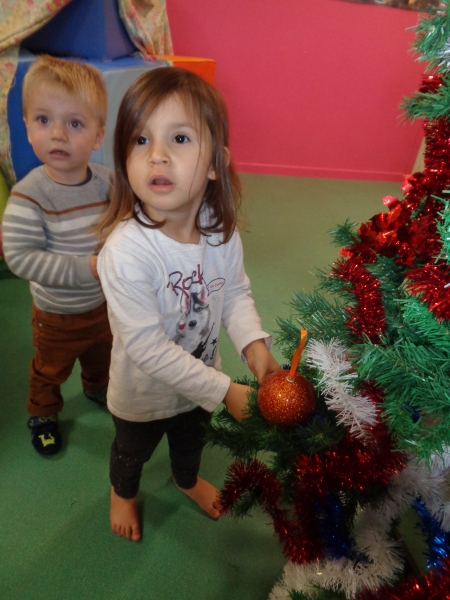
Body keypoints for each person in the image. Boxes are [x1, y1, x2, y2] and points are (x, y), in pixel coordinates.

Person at [97, 67, 281, 541]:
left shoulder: (221, 232)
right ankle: (123, 493)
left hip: (201, 381)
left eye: (179, 138)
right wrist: (224, 391)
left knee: (190, 442)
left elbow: (235, 294)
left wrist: (254, 345)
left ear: (216, 163)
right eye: (140, 140)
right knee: (130, 452)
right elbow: (147, 348)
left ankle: (184, 480)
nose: (156, 155)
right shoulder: (126, 252)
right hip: (140, 395)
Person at [2, 55, 113, 455]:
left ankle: (98, 387)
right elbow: (21, 258)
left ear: (98, 136)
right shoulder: (29, 196)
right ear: (27, 128)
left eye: (75, 123)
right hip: (56, 315)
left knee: (104, 355)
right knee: (50, 370)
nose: (58, 135)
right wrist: (89, 268)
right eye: (44, 120)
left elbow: (126, 221)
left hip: (102, 306)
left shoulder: (107, 183)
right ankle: (43, 412)